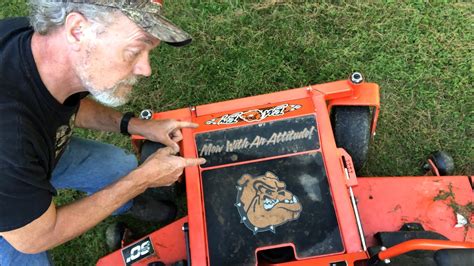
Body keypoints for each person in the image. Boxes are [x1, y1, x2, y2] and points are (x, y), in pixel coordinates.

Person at [0, 0, 206, 265]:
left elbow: (63, 100)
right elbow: (36, 237)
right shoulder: (10, 144)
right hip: (16, 208)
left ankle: (130, 203)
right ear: (78, 30)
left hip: (30, 150)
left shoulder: (41, 46)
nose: (146, 69)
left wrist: (138, 125)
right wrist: (140, 180)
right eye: (134, 51)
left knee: (116, 166)